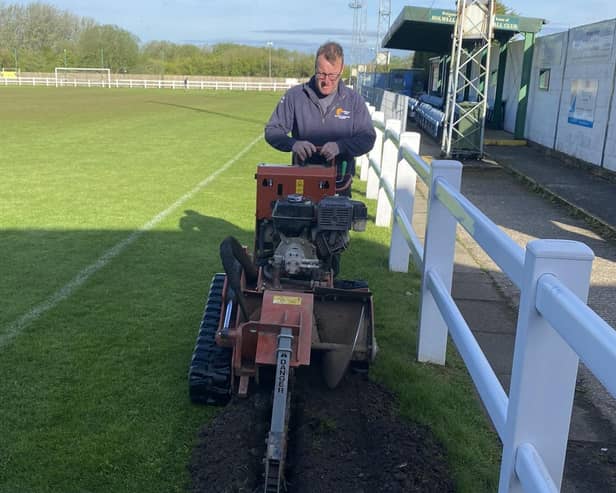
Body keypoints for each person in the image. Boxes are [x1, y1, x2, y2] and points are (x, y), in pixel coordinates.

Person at [264, 41, 376, 187]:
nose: (326, 81)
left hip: (339, 183)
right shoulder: (295, 96)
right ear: (315, 68)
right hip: (301, 181)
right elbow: (272, 131)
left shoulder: (353, 100)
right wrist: (293, 144)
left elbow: (367, 138)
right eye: (321, 74)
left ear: (342, 70)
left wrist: (340, 147)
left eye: (332, 75)